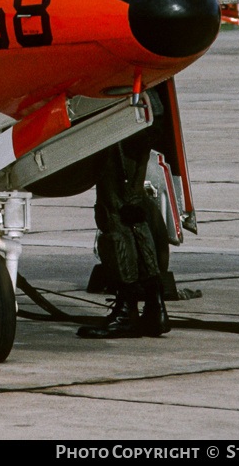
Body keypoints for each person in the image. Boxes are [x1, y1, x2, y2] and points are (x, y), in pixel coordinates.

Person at [77, 137, 171, 339]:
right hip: (138, 122)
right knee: (132, 210)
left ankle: (126, 312)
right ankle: (154, 309)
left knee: (115, 212)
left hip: (117, 127)